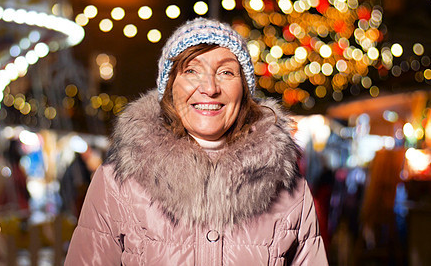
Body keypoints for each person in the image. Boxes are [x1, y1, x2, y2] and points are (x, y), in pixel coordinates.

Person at [65, 18, 328, 265]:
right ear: (170, 87)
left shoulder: (290, 191)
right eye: (191, 70)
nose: (210, 88)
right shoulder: (117, 185)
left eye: (226, 72)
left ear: (244, 89)